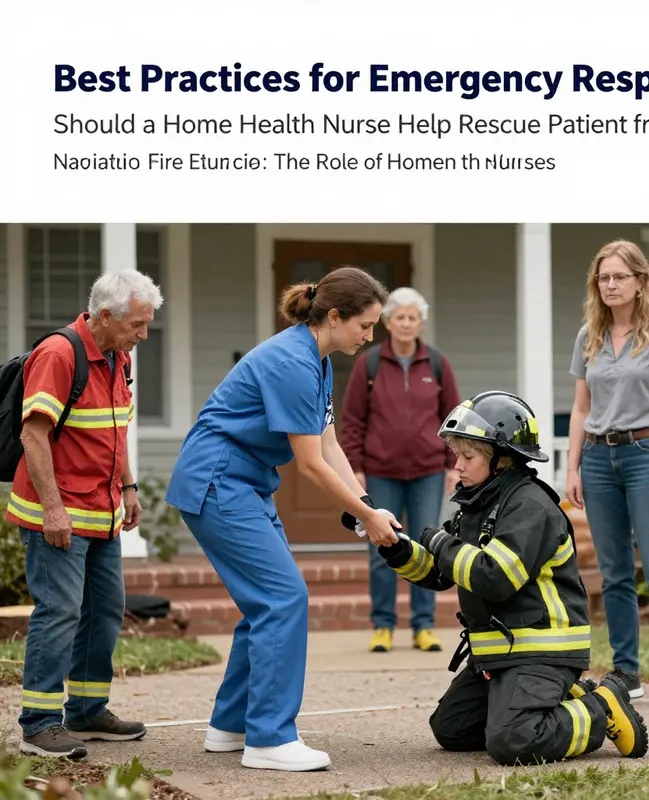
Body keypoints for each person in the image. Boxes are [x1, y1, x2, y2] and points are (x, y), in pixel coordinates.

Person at [164, 267, 402, 773]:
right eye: (365, 324)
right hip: (219, 481)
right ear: (334, 317)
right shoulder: (293, 362)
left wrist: (366, 506)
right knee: (282, 597)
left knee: (265, 604)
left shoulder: (316, 360)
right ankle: (270, 738)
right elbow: (311, 463)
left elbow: (330, 444)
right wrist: (364, 514)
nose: (370, 336)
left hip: (244, 482)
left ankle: (231, 727)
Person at [377, 391, 649, 766]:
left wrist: (441, 542)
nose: (457, 465)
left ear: (503, 459)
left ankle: (600, 708)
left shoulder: (530, 506)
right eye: (457, 454)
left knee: (514, 742)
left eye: (468, 456)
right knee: (452, 729)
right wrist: (397, 549)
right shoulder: (475, 504)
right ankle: (561, 700)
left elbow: (494, 578)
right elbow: (442, 574)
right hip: (500, 652)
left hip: (542, 650)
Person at [7, 269, 163, 759]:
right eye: (137, 324)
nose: (143, 335)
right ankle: (38, 724)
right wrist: (53, 511)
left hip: (102, 512)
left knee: (104, 610)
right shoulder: (59, 354)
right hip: (58, 516)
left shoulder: (119, 357)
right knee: (60, 613)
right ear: (105, 315)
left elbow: (114, 429)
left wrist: (129, 486)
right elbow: (34, 435)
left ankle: (87, 711)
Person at [566, 239, 649, 699]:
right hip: (598, 460)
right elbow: (581, 409)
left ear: (640, 282)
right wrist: (574, 467)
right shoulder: (589, 336)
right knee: (614, 571)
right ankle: (626, 674)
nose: (611, 285)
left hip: (647, 455)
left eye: (620, 276)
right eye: (604, 277)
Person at [340, 286, 461, 654]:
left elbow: (453, 419)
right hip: (380, 472)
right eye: (400, 317)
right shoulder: (370, 364)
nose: (406, 323)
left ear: (420, 322)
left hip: (428, 472)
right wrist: (356, 469)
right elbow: (352, 421)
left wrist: (453, 467)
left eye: (413, 317)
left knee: (426, 548)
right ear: (388, 322)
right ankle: (383, 625)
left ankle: (423, 626)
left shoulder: (437, 364)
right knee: (383, 547)